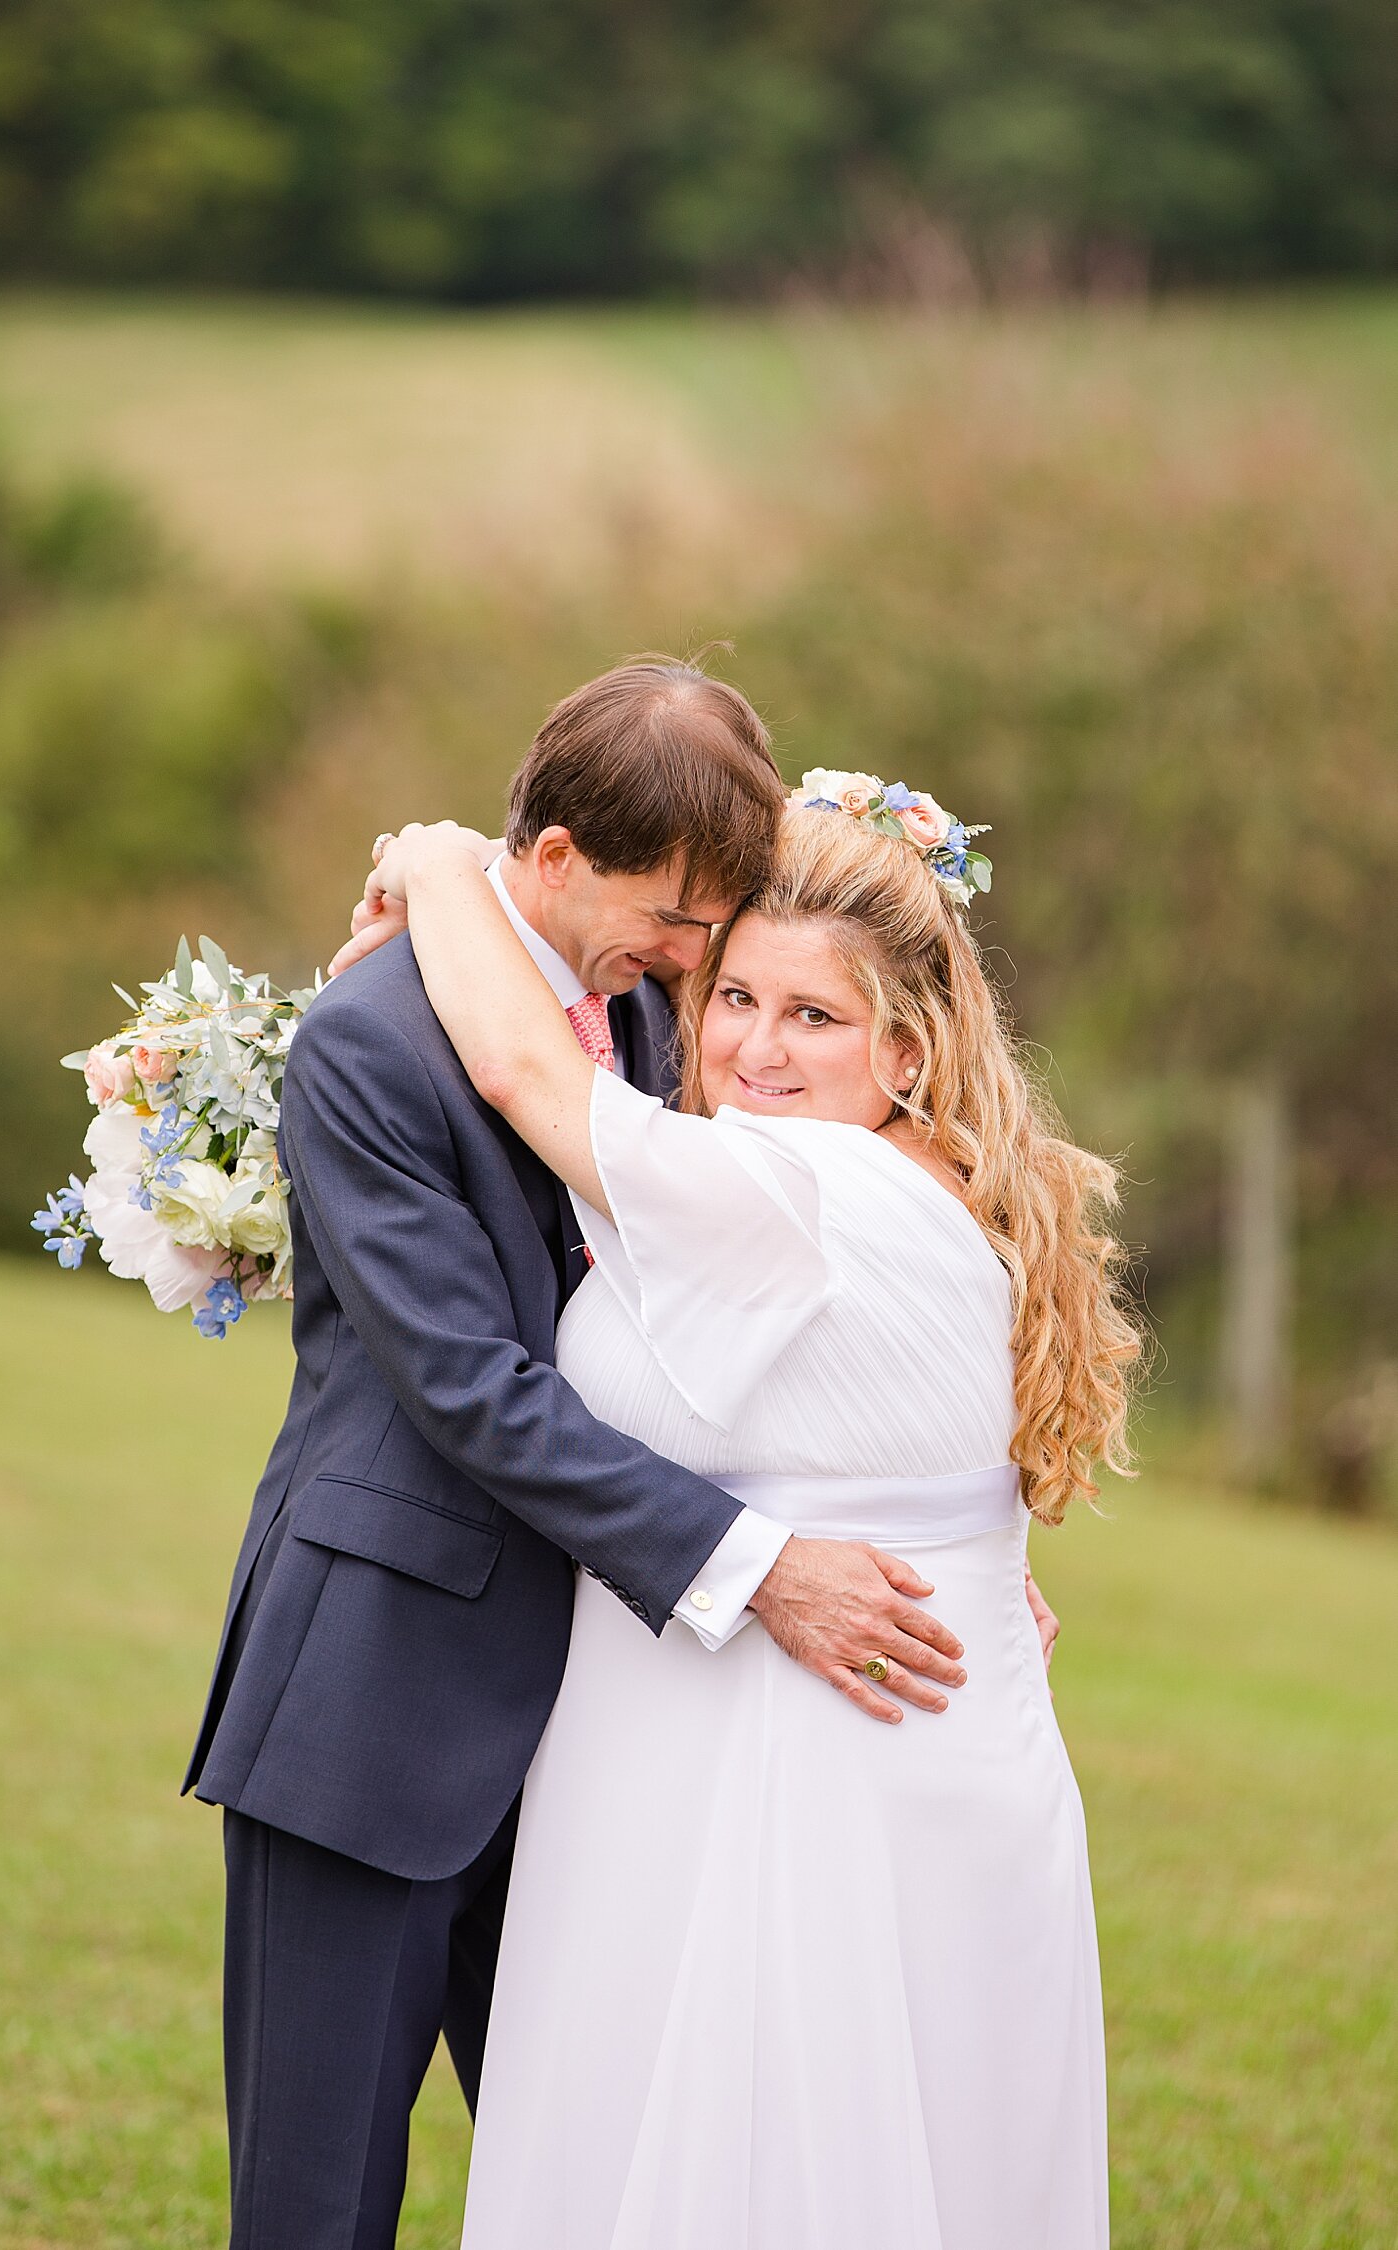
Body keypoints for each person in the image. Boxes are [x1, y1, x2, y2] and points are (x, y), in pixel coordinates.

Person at [183, 662, 1002, 2250]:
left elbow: (729, 1350)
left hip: (598, 1745)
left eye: (714, 925)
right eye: (676, 919)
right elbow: (476, 1391)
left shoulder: (639, 1014)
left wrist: (967, 1551)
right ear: (554, 860)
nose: (699, 964)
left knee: (606, 2187)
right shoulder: (369, 1040)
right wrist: (764, 1567)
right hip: (375, 1703)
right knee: (315, 2205)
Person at [350, 781, 1137, 2250]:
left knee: (769, 2159)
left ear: (908, 1049)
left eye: (815, 1018)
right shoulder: (924, 1174)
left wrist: (441, 859)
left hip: (810, 1769)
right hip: (853, 1729)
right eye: (736, 997)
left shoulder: (810, 1179)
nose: (757, 1049)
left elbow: (528, 1070)